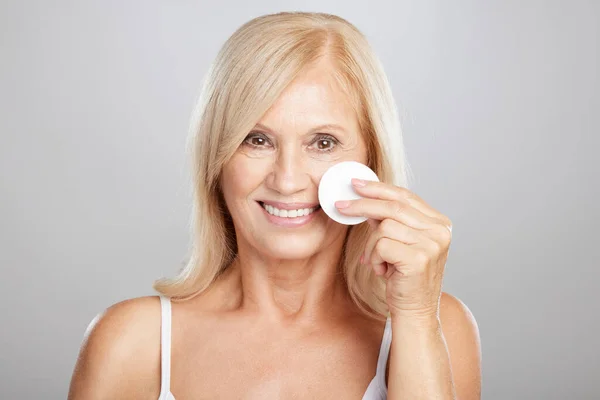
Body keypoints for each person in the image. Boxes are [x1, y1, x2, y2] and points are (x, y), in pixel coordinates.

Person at [68, 11, 481, 399]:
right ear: (218, 158)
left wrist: (414, 316)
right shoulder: (132, 342)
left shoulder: (438, 327)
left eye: (323, 143)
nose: (287, 180)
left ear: (371, 160)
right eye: (257, 140)